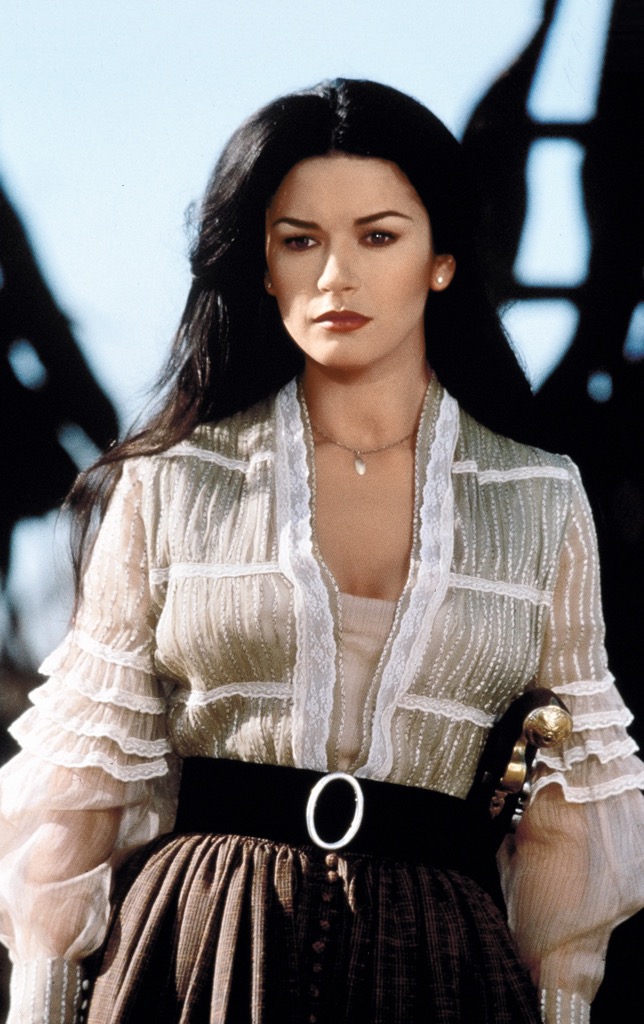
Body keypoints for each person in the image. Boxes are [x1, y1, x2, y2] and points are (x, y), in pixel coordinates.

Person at [1, 79, 643, 1024]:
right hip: (198, 950)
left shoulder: (542, 498)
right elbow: (79, 792)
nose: (336, 275)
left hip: (442, 965)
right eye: (300, 241)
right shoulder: (170, 482)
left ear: (442, 261)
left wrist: (562, 1007)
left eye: (378, 236)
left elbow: (571, 813)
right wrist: (42, 1003)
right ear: (262, 266)